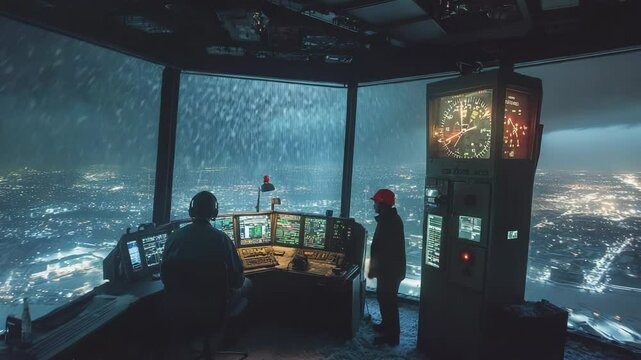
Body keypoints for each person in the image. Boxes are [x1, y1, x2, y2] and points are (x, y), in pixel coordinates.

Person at [161, 191, 251, 341]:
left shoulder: (173, 239)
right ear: (214, 212)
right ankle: (230, 338)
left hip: (182, 304)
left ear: (191, 211)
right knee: (248, 283)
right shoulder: (222, 239)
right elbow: (237, 281)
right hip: (215, 306)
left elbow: (165, 277)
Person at [367, 188, 406, 346]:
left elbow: (384, 252)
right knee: (384, 300)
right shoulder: (389, 219)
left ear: (382, 204)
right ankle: (386, 326)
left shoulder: (389, 222)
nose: (374, 205)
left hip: (389, 272)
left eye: (376, 202)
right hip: (389, 271)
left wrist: (375, 269)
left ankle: (392, 336)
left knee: (388, 302)